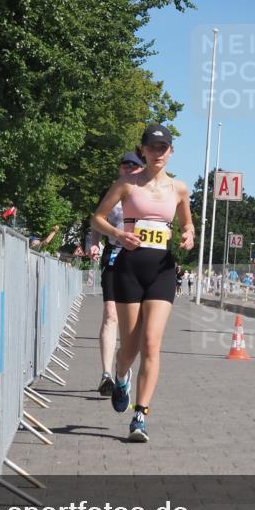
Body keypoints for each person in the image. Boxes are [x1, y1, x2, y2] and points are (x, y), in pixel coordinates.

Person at [91, 125, 194, 442]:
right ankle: (121, 375)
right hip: (128, 268)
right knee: (130, 346)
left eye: (164, 147)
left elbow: (186, 221)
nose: (159, 152)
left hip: (162, 269)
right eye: (153, 147)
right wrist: (119, 234)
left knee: (152, 342)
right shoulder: (126, 184)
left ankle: (140, 416)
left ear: (171, 152)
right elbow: (98, 218)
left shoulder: (179, 189)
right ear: (143, 151)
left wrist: (189, 232)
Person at [93, 150, 144, 397]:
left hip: (141, 259)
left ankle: (122, 368)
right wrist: (94, 242)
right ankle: (106, 375)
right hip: (114, 254)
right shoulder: (110, 193)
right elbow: (95, 221)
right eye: (124, 166)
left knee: (133, 322)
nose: (128, 170)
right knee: (110, 314)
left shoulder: (147, 194)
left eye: (133, 167)